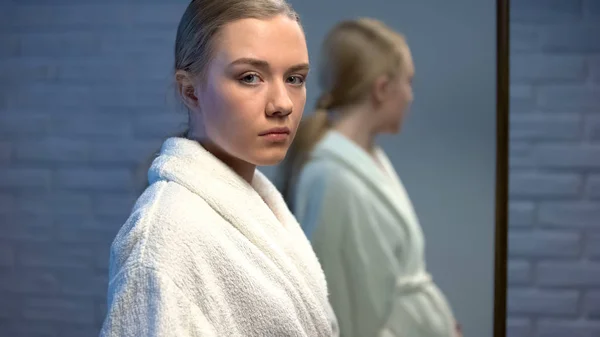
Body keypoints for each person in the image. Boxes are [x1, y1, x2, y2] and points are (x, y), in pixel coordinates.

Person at [99, 0, 339, 336]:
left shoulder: (260, 207)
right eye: (250, 77)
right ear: (190, 91)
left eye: (295, 78)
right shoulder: (164, 240)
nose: (283, 103)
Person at [278, 18, 461, 337]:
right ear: (382, 89)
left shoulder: (369, 157)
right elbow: (339, 312)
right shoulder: (332, 179)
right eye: (408, 82)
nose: (410, 96)